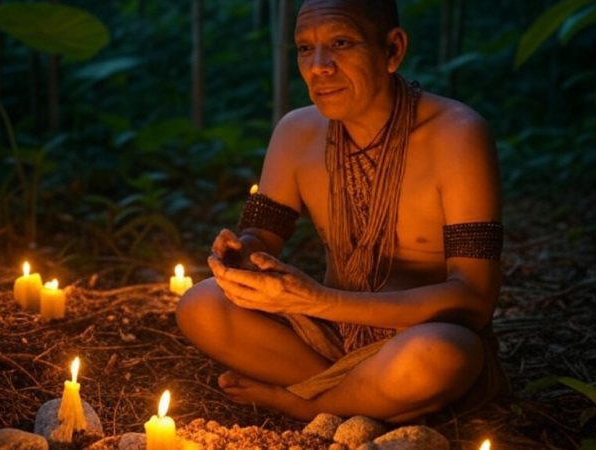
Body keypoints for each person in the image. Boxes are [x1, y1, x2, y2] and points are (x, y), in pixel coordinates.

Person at [177, 0, 508, 423]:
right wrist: (240, 254)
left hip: (416, 336)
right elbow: (262, 236)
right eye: (304, 48)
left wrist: (320, 300)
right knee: (200, 305)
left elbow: (474, 300)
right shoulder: (296, 132)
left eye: (340, 42)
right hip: (329, 338)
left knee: (435, 358)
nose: (319, 67)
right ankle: (363, 398)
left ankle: (302, 404)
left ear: (392, 50)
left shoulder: (457, 134)